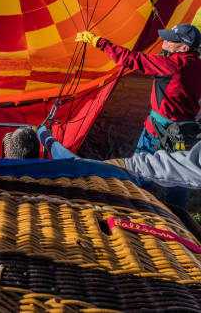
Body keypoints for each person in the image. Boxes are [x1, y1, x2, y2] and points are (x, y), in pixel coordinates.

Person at [75, 24, 201, 207]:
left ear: (184, 48)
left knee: (141, 167)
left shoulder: (170, 65)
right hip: (183, 131)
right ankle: (178, 213)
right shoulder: (196, 65)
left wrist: (99, 42)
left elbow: (131, 59)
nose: (164, 40)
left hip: (157, 130)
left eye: (171, 40)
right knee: (176, 173)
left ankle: (139, 206)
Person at [37, 125, 201, 191]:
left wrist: (104, 47)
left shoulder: (175, 65)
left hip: (171, 131)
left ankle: (139, 191)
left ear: (185, 48)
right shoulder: (188, 66)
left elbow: (140, 62)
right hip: (166, 129)